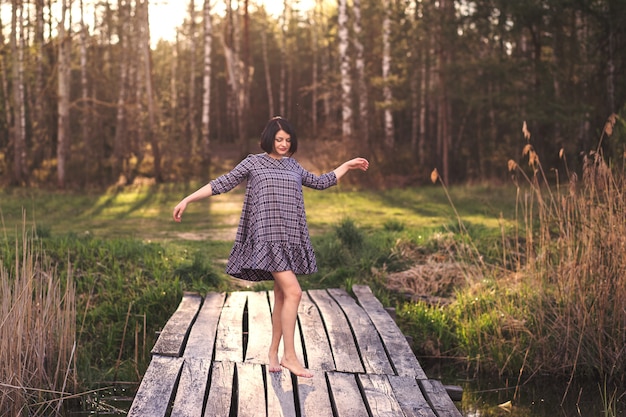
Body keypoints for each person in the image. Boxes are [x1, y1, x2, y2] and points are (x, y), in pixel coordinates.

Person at [172, 116, 369, 378]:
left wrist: (346, 166)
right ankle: (290, 356)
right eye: (279, 139)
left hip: (290, 240)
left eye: (288, 140)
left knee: (282, 296)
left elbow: (322, 182)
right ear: (268, 139)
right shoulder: (253, 162)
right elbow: (222, 183)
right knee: (294, 293)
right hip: (267, 240)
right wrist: (187, 199)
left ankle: (274, 353)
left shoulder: (294, 167)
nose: (284, 144)